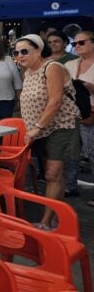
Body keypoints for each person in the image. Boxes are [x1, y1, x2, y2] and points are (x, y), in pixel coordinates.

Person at [15, 34, 80, 229]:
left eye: (24, 51)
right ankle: (55, 215)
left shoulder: (53, 67)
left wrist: (37, 128)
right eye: (16, 52)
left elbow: (55, 101)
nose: (20, 55)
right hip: (40, 130)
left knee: (52, 174)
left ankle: (46, 221)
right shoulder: (28, 72)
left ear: (39, 50)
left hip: (59, 126)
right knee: (54, 176)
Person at [65, 30, 94, 202]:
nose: (76, 46)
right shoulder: (70, 64)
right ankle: (71, 185)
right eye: (75, 43)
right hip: (71, 114)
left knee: (92, 154)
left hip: (91, 114)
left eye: (81, 43)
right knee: (71, 153)